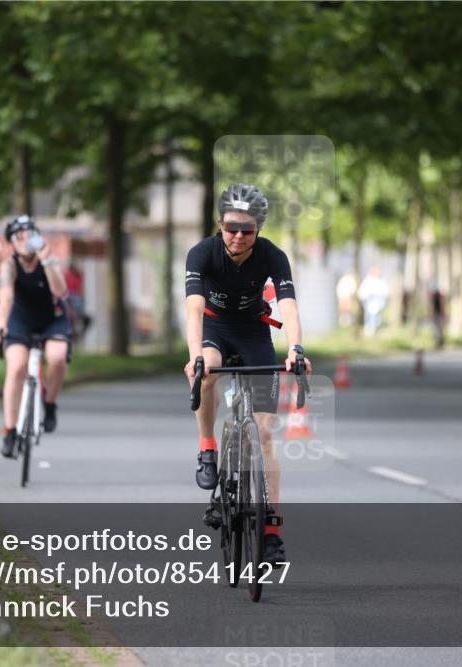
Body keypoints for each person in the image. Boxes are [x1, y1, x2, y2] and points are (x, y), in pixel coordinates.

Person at [183, 183, 312, 566]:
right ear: (219, 224)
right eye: (230, 228)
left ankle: (271, 531)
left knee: (266, 434)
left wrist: (295, 348)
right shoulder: (202, 253)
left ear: (259, 229)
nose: (238, 236)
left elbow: (287, 306)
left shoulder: (273, 256)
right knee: (207, 371)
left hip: (254, 331)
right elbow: (193, 310)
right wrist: (194, 356)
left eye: (247, 230)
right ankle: (207, 449)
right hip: (214, 329)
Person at [0, 215, 72, 458]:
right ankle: (10, 430)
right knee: (16, 367)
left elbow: (61, 291)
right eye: (20, 237)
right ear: (12, 242)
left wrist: (46, 259)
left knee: (57, 357)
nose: (26, 241)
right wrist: (0, 326)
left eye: (30, 235)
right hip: (21, 320)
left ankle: (50, 404)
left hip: (51, 318)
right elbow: (5, 299)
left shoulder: (49, 259)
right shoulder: (9, 265)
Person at [357, 267, 390, 337]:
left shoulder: (380, 282)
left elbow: (385, 292)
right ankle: (370, 328)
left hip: (378, 301)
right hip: (369, 301)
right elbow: (362, 292)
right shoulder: (367, 281)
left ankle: (375, 328)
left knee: (376, 316)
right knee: (369, 315)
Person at [429, 280, 445, 349]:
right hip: (435, 314)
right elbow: (430, 307)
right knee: (435, 329)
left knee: (439, 329)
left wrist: (443, 314)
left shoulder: (439, 296)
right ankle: (437, 343)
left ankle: (440, 343)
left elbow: (442, 306)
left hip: (438, 314)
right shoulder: (432, 296)